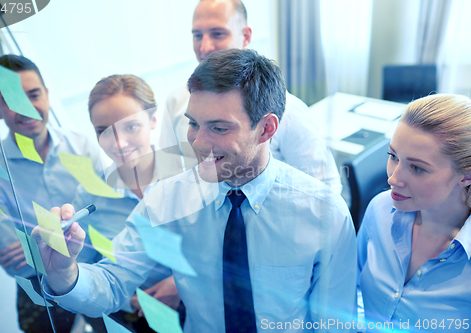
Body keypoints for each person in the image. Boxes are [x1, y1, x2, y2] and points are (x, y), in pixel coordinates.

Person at [34, 49, 357, 333]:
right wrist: (66, 274)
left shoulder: (323, 213)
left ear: (266, 128)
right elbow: (115, 281)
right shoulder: (168, 199)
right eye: (193, 124)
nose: (198, 143)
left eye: (218, 127)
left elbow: (335, 323)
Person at [0, 54, 102, 332]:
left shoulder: (82, 147)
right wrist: (77, 233)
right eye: (10, 100)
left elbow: (109, 224)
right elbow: (16, 265)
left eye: (33, 95)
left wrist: (37, 245)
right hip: (39, 291)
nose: (26, 108)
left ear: (47, 95)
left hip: (99, 273)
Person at [159, 0, 342, 193]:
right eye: (197, 35)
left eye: (217, 34)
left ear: (245, 36)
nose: (204, 47)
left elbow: (326, 189)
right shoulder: (176, 101)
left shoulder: (288, 111)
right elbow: (166, 176)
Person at [73, 74, 187, 332]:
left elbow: (222, 250)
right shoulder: (89, 196)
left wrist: (179, 284)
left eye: (131, 127)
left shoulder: (190, 173)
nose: (119, 144)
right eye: (103, 131)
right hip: (135, 321)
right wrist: (127, 300)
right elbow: (84, 267)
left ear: (154, 119)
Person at [357, 94, 471, 331]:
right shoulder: (379, 210)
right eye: (393, 157)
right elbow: (352, 287)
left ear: (466, 175)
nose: (392, 178)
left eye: (417, 168)